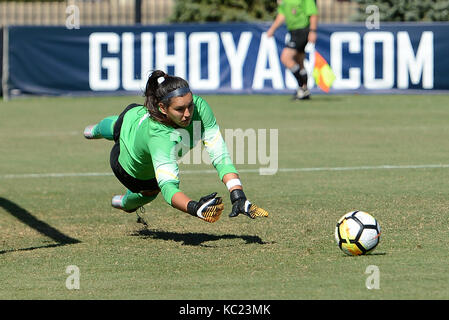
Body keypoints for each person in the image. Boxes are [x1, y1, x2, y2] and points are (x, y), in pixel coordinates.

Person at [83, 70, 269, 223]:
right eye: (179, 109)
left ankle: (122, 199)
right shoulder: (160, 138)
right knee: (119, 128)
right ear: (163, 108)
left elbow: (219, 154)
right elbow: (169, 188)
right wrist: (195, 208)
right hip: (126, 162)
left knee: (120, 126)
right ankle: (95, 134)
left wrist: (237, 193)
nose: (188, 114)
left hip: (135, 145)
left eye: (190, 105)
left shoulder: (200, 108)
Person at [267, 0, 318, 100]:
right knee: (300, 62)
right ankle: (305, 90)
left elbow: (313, 14)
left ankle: (302, 87)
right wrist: (272, 29)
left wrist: (313, 31)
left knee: (286, 58)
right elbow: (282, 15)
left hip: (302, 30)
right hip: (293, 31)